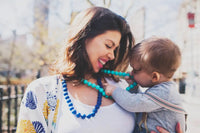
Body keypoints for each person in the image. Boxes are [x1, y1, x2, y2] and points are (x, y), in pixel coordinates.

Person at [16, 7, 182, 133]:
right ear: (83, 36)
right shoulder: (42, 91)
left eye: (115, 49)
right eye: (108, 45)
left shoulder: (125, 88)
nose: (111, 55)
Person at [104, 37, 186, 133]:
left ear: (154, 76)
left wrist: (114, 91)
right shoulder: (162, 89)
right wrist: (134, 87)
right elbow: (142, 101)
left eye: (136, 70)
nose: (132, 72)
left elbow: (134, 104)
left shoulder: (165, 92)